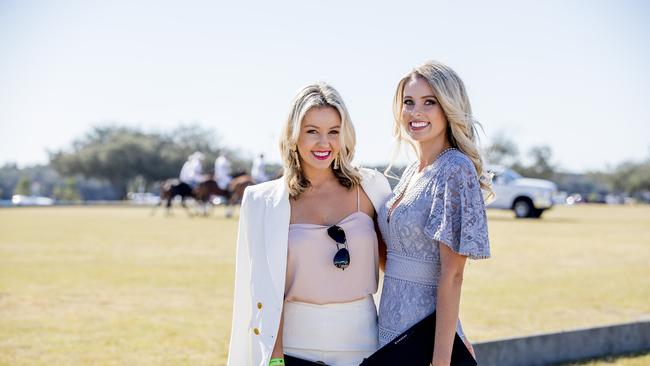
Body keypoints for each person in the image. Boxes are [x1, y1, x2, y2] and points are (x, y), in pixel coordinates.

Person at [227, 82, 391, 366]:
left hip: (364, 348)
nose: (323, 143)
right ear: (293, 136)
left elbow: (400, 269)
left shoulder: (372, 188)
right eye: (312, 131)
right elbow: (263, 288)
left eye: (333, 132)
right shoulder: (262, 201)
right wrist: (275, 359)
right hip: (294, 350)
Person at [376, 61, 493, 365]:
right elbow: (394, 258)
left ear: (448, 108)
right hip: (390, 330)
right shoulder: (412, 172)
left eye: (429, 102)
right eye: (408, 102)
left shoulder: (455, 169)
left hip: (424, 340)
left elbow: (452, 276)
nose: (416, 112)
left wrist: (441, 359)